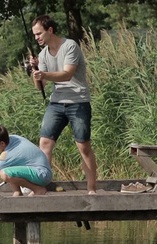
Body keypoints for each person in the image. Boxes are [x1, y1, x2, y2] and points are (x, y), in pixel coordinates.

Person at [30, 14, 97, 194]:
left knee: (83, 146)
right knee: (44, 143)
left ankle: (92, 189)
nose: (36, 38)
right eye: (35, 35)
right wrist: (35, 71)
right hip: (56, 102)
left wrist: (44, 74)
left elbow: (67, 74)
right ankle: (42, 186)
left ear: (50, 30)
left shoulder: (70, 46)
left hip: (78, 101)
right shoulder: (43, 54)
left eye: (39, 34)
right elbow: (41, 86)